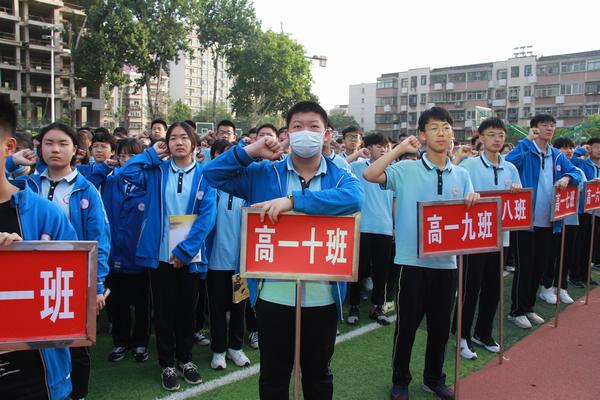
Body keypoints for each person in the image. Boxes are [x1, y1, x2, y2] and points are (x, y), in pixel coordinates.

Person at [203, 101, 363, 400]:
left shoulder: (339, 174)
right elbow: (211, 175)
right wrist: (250, 151)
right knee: (273, 377)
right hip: (273, 297)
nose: (306, 132)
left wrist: (293, 202)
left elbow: (355, 198)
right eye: (297, 126)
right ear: (287, 134)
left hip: (323, 298)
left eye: (313, 126)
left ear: (327, 134)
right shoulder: (265, 173)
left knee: (318, 377)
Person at [364, 106, 479, 400]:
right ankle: (400, 380)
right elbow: (370, 173)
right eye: (434, 128)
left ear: (453, 135)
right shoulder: (406, 170)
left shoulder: (462, 174)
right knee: (407, 327)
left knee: (440, 327)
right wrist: (400, 149)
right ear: (422, 135)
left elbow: (468, 212)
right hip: (410, 262)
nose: (441, 133)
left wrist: (474, 198)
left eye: (446, 128)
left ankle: (434, 378)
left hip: (447, 264)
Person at [11, 122, 110, 400]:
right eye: (49, 143)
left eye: (63, 143)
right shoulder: (26, 185)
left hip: (69, 280)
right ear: (38, 148)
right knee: (35, 341)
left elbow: (99, 241)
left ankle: (77, 394)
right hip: (29, 278)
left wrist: (96, 286)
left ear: (76, 150)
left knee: (75, 344)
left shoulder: (86, 190)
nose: (55, 149)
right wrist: (12, 161)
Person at [120, 122, 217, 391]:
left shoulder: (205, 175)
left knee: (187, 311)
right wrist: (152, 154)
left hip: (189, 255)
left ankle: (185, 360)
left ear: (194, 143)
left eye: (184, 137)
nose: (178, 142)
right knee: (163, 312)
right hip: (160, 254)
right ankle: (167, 364)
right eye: (173, 138)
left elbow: (207, 216)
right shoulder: (156, 171)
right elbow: (127, 172)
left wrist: (185, 251)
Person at [0, 98, 77, 400]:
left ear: (8, 147)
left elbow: (72, 291)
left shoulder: (45, 214)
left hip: (35, 376)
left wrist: (29, 263)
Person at [452, 117, 521, 360]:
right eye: (491, 135)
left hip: (501, 238)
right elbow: (454, 191)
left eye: (501, 135)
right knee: (470, 288)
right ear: (480, 138)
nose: (497, 139)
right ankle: (462, 335)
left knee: (493, 287)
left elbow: (519, 203)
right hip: (474, 236)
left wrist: (516, 192)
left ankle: (484, 332)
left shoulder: (510, 168)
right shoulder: (469, 165)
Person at [505, 114, 581, 329]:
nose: (549, 128)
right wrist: (526, 141)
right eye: (544, 125)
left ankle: (528, 307)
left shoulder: (556, 155)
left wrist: (567, 178)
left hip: (549, 222)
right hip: (525, 221)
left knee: (539, 266)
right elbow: (507, 163)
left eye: (552, 125)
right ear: (534, 128)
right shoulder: (526, 150)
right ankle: (516, 311)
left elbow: (576, 172)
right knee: (525, 268)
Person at [91, 138, 152, 363]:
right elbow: (87, 181)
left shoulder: (148, 182)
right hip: (114, 254)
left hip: (140, 256)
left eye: (132, 156)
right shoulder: (110, 180)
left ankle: (140, 343)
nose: (126, 160)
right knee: (118, 304)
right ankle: (120, 342)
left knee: (143, 304)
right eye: (122, 155)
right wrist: (103, 167)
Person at [204, 140, 251, 370]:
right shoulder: (210, 188)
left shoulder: (248, 188)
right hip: (215, 262)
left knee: (239, 307)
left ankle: (235, 347)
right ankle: (219, 350)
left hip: (240, 264)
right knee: (217, 309)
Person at [347, 133, 394, 325]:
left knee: (382, 272)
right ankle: (354, 306)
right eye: (378, 146)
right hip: (362, 227)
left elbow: (395, 201)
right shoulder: (359, 167)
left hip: (385, 228)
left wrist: (394, 226)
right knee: (357, 271)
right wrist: (358, 153)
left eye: (386, 146)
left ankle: (377, 306)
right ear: (369, 148)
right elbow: (338, 165)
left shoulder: (393, 171)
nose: (383, 149)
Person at [569, 137, 600, 287]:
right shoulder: (583, 164)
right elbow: (571, 161)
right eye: (596, 147)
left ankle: (586, 274)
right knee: (580, 243)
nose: (599, 150)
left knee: (591, 245)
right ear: (589, 148)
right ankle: (574, 275)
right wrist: (580, 150)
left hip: (597, 211)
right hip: (584, 211)